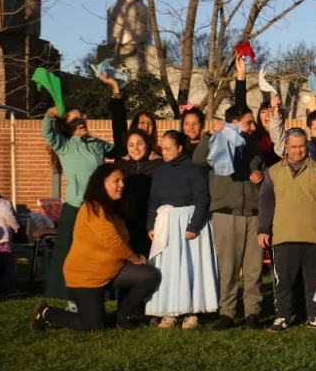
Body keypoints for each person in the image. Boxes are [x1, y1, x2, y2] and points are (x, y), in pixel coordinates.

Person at [29, 164, 160, 332]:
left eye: (122, 181)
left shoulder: (114, 209)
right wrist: (134, 258)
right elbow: (112, 242)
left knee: (149, 275)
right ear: (102, 183)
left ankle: (122, 316)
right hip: (86, 276)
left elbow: (122, 239)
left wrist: (135, 257)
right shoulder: (92, 208)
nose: (121, 185)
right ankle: (46, 312)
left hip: (112, 270)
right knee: (93, 326)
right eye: (116, 181)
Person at [42, 74, 126, 302]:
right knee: (70, 256)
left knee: (98, 255)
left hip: (97, 209)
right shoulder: (65, 144)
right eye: (75, 120)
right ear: (67, 127)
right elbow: (47, 132)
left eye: (82, 118)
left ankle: (97, 295)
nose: (81, 122)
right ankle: (71, 300)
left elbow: (120, 147)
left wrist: (115, 92)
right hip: (75, 208)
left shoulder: (97, 144)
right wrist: (50, 115)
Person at [258, 127, 316, 332]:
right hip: (283, 236)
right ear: (286, 146)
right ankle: (282, 317)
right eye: (293, 146)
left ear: (307, 145)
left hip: (315, 235)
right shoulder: (273, 172)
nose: (297, 151)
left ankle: (315, 315)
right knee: (284, 281)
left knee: (314, 280)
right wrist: (263, 229)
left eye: (301, 146)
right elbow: (266, 204)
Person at [193, 106, 266, 331]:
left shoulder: (254, 147)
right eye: (249, 123)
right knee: (228, 268)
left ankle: (252, 312)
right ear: (234, 122)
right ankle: (227, 313)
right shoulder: (217, 140)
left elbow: (266, 179)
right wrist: (209, 135)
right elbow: (198, 160)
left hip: (253, 214)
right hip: (226, 213)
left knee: (253, 268)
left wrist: (261, 177)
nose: (254, 127)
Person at [145, 130, 218, 329]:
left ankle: (192, 312)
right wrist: (150, 224)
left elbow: (202, 198)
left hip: (189, 224)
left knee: (191, 266)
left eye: (168, 148)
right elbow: (154, 200)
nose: (165, 152)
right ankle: (169, 312)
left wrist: (194, 226)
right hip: (167, 224)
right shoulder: (160, 171)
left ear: (179, 148)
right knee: (168, 268)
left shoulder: (194, 170)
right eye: (162, 149)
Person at [113, 129, 163, 255]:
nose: (135, 148)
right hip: (126, 220)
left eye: (140, 143)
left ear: (147, 143)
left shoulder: (159, 164)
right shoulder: (120, 165)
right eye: (131, 145)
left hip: (151, 220)